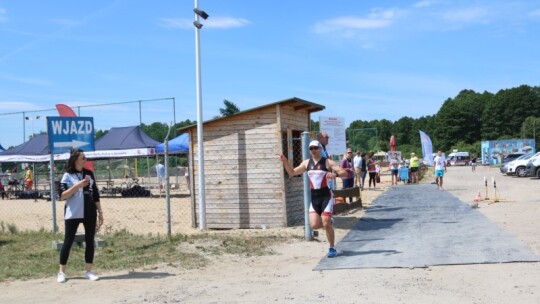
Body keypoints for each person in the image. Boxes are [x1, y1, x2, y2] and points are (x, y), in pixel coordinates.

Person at [277, 140, 347, 258]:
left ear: (320, 149)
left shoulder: (327, 162)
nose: (313, 150)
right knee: (314, 225)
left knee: (325, 223)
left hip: (326, 196)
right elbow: (292, 172)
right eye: (311, 148)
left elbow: (344, 172)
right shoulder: (306, 163)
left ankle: (332, 248)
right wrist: (285, 162)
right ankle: (328, 223)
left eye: (315, 148)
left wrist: (335, 174)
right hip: (314, 197)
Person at [57, 149, 103, 283]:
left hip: (89, 212)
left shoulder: (89, 173)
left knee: (90, 241)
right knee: (68, 241)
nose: (85, 160)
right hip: (73, 213)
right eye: (83, 158)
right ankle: (61, 272)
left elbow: (95, 194)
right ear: (76, 159)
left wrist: (100, 212)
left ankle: (89, 271)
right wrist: (77, 186)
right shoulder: (67, 175)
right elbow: (62, 196)